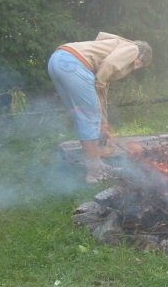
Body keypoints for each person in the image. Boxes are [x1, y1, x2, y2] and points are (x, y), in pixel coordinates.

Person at [48, 33, 152, 183]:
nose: (133, 68)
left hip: (57, 60)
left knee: (80, 115)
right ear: (143, 57)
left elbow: (101, 91)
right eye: (139, 65)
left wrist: (103, 124)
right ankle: (94, 173)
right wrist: (99, 83)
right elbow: (109, 66)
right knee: (89, 116)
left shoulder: (112, 49)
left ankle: (98, 165)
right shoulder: (133, 49)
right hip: (74, 63)